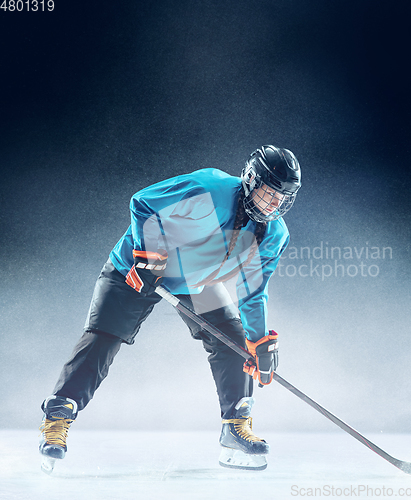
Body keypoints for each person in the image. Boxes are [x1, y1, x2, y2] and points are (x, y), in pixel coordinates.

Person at [39, 145, 302, 472]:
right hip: (136, 271)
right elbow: (143, 202)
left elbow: (253, 291)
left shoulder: (273, 234)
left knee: (234, 341)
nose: (275, 204)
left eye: (283, 198)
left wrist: (259, 339)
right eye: (270, 193)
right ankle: (57, 419)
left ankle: (235, 426)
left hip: (195, 281)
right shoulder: (209, 189)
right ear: (251, 179)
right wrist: (149, 255)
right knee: (104, 338)